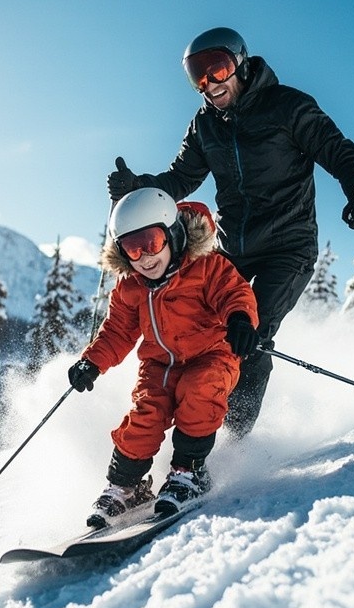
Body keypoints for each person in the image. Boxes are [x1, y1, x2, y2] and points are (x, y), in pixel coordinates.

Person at [107, 26, 354, 437]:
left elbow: (336, 149)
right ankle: (187, 426)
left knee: (249, 335)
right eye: (197, 76)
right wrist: (140, 187)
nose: (209, 84)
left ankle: (235, 442)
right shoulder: (205, 125)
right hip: (233, 246)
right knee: (204, 330)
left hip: (288, 247)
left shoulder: (287, 106)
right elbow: (181, 178)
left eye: (216, 69)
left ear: (241, 63)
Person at [67, 187, 259, 529]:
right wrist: (92, 362)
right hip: (159, 366)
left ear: (172, 233)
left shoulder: (206, 267)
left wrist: (240, 320)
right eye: (132, 247)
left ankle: (189, 473)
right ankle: (126, 487)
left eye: (151, 242)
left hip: (212, 356)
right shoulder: (130, 287)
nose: (143, 257)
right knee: (146, 414)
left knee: (200, 392)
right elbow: (117, 332)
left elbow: (235, 293)